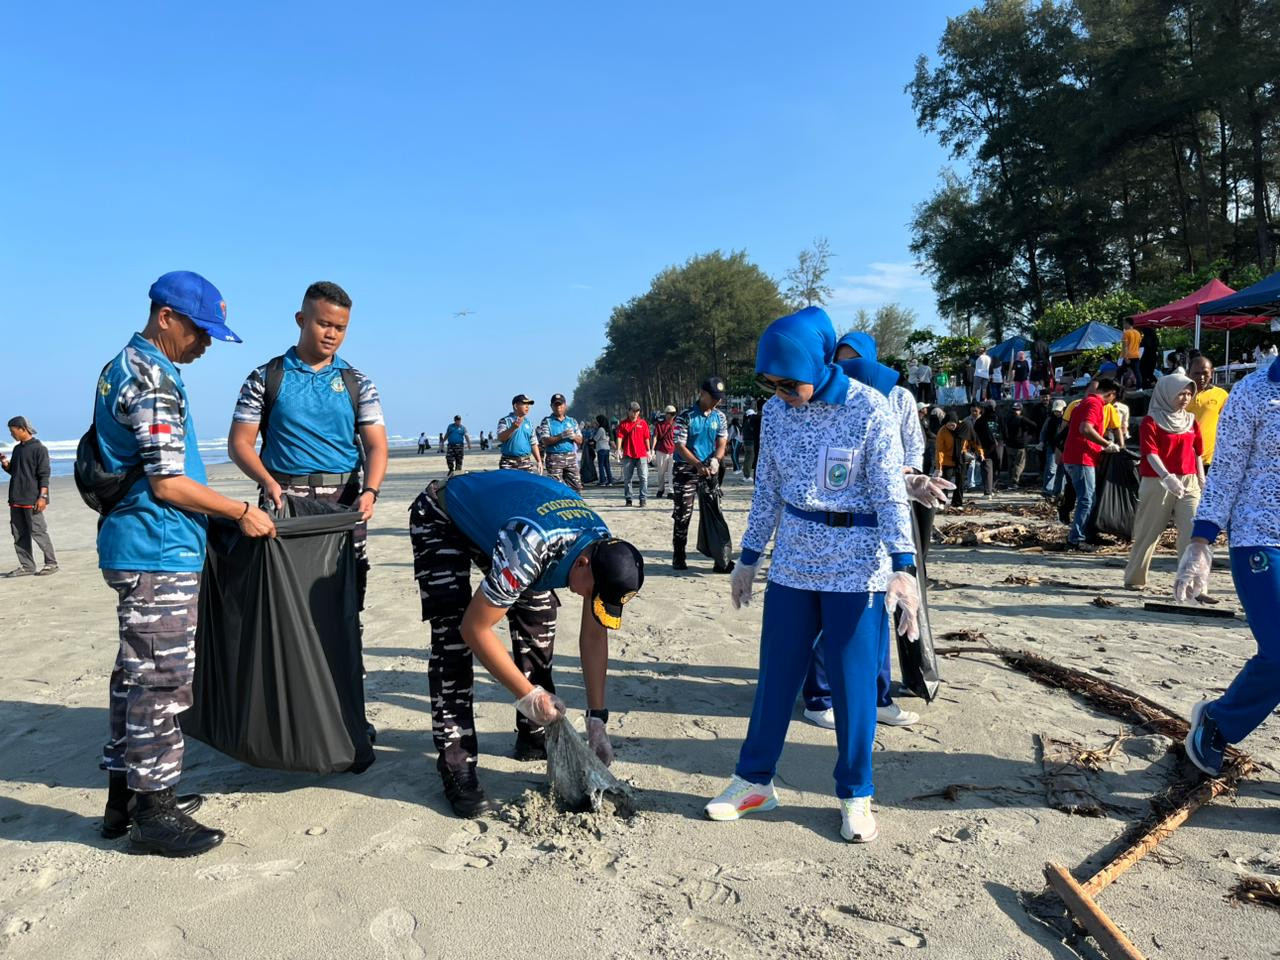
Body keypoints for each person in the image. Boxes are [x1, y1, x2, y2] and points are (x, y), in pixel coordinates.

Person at [706, 306, 919, 843]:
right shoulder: (776, 412)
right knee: (776, 676)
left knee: (852, 687)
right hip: (795, 562)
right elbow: (768, 489)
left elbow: (891, 492)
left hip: (856, 565)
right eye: (769, 381)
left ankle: (856, 794)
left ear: (822, 363)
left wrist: (904, 567)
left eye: (788, 381)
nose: (779, 391)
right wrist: (749, 558)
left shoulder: (870, 408)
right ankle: (753, 781)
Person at [95, 271, 276, 856]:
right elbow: (168, 483)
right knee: (159, 678)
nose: (205, 345)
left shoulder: (126, 366)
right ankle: (153, 813)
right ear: (166, 317)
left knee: (134, 675)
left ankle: (125, 800)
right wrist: (238, 510)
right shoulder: (151, 378)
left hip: (144, 544)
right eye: (201, 332)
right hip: (156, 546)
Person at [408, 471, 644, 816]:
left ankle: (534, 733)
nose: (586, 599)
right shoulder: (530, 549)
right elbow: (475, 629)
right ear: (581, 563)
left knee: (539, 614)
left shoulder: (603, 547)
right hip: (443, 515)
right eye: (589, 593)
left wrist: (597, 720)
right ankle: (456, 762)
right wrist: (528, 694)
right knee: (453, 637)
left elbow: (594, 634)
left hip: (508, 524)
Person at [228, 280, 388, 639]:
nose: (332, 334)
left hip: (344, 502)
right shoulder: (266, 377)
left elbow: (376, 445)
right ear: (301, 319)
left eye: (340, 327)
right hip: (283, 499)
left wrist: (371, 492)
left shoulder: (358, 382)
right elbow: (240, 444)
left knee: (346, 593)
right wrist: (268, 481)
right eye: (323, 324)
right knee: (280, 596)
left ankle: (342, 675)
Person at [1175, 359, 1280, 777]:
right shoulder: (1254, 392)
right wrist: (1200, 542)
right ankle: (1220, 722)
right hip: (1260, 535)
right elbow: (1226, 472)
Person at [1123, 375, 1204, 590]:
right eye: (1181, 393)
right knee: (1149, 532)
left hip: (1189, 481)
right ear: (1167, 393)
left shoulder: (1191, 420)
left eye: (1188, 393)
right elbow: (1150, 452)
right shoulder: (1152, 421)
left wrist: (1202, 479)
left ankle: (1190, 582)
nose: (1185, 398)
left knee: (1192, 530)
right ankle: (1135, 577)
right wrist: (1167, 476)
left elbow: (1197, 452)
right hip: (1157, 480)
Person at [671, 377, 729, 571]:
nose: (716, 401)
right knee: (683, 514)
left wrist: (716, 460)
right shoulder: (685, 417)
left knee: (714, 513)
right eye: (713, 397)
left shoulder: (719, 417)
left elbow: (722, 442)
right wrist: (696, 464)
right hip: (685, 469)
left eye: (718, 398)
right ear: (702, 393)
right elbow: (679, 445)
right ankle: (679, 555)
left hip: (709, 468)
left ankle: (719, 558)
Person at [1061, 377, 1121, 550]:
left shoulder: (1084, 403)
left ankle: (1085, 534)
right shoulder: (1095, 404)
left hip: (1077, 457)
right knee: (1086, 499)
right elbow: (1085, 429)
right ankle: (1076, 539)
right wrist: (1107, 444)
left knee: (1088, 498)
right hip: (1081, 458)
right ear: (1111, 394)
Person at [2, 416, 56, 577]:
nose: (11, 435)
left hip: (32, 499)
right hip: (16, 499)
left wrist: (43, 497)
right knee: (18, 534)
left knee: (38, 531)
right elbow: (16, 472)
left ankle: (51, 563)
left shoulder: (39, 449)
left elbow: (44, 475)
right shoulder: (18, 449)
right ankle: (27, 566)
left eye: (13, 431)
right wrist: (6, 465)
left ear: (22, 429)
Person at [1187, 356, 1229, 472]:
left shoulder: (1221, 395)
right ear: (1188, 373)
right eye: (1196, 373)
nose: (1201, 377)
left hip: (1211, 461)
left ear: (1212, 372)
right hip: (1183, 459)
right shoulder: (1181, 395)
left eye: (1205, 373)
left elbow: (1229, 426)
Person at [537, 394, 583, 492]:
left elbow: (580, 440)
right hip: (554, 457)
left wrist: (573, 436)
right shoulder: (547, 421)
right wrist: (561, 436)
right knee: (557, 487)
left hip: (570, 457)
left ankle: (574, 505)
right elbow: (545, 440)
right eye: (556, 405)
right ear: (551, 406)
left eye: (561, 405)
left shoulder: (572, 421)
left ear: (565, 405)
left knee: (576, 487)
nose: (558, 407)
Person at [935, 414, 979, 507]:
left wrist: (979, 452)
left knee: (960, 482)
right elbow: (940, 450)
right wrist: (939, 467)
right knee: (945, 482)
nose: (951, 427)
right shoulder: (942, 432)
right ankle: (942, 502)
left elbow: (973, 440)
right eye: (949, 425)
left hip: (961, 459)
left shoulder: (964, 427)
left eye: (953, 425)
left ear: (957, 423)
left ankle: (957, 503)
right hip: (947, 459)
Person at [616, 401, 653, 507]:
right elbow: (619, 437)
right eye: (633, 411)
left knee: (644, 478)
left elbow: (646, 437)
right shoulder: (623, 424)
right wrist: (619, 449)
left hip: (641, 454)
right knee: (627, 479)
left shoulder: (643, 423)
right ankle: (628, 499)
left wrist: (648, 450)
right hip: (628, 454)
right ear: (629, 411)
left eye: (637, 411)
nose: (635, 413)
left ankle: (643, 498)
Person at [496, 394, 542, 472]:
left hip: (525, 462)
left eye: (529, 404)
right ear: (516, 406)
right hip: (508, 462)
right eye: (524, 404)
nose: (527, 406)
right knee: (509, 484)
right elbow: (501, 438)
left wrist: (539, 461)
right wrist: (512, 428)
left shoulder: (529, 423)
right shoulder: (505, 421)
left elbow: (533, 443)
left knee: (527, 484)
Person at [1004, 402, 1038, 487]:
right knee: (1019, 464)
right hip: (1019, 445)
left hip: (1009, 444)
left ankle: (1009, 480)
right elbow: (1034, 425)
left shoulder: (1007, 418)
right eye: (1015, 410)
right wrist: (1029, 435)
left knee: (1010, 464)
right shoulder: (1022, 419)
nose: (1016, 411)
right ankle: (1015, 481)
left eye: (1017, 409)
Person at [974, 402, 1004, 495]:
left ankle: (990, 488)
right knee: (991, 467)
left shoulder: (997, 418)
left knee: (991, 468)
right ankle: (989, 489)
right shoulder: (982, 420)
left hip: (992, 446)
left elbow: (1004, 430)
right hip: (991, 446)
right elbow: (1005, 431)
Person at [1041, 399, 1067, 498]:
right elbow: (1043, 432)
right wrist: (1042, 442)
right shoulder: (1050, 419)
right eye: (1055, 411)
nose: (1057, 413)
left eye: (1059, 411)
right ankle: (1047, 490)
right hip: (1052, 446)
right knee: (1051, 469)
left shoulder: (1068, 419)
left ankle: (1059, 491)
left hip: (1064, 447)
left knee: (1062, 470)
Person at [652, 405, 677, 498]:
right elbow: (655, 437)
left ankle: (671, 491)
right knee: (661, 472)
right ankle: (660, 489)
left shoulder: (676, 425)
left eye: (673, 414)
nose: (672, 416)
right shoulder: (659, 425)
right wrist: (652, 449)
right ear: (666, 414)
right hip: (661, 451)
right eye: (670, 414)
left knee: (671, 473)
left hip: (673, 452)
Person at [593, 415, 615, 486]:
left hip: (601, 449)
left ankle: (602, 481)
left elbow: (595, 438)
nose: (596, 422)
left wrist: (591, 440)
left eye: (597, 421)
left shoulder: (601, 429)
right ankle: (610, 480)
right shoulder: (607, 429)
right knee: (607, 465)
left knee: (601, 465)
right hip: (607, 449)